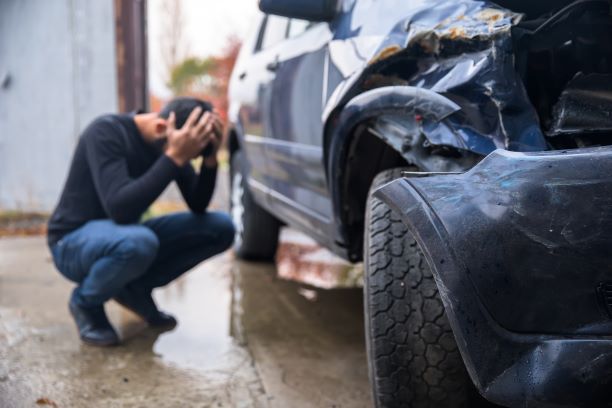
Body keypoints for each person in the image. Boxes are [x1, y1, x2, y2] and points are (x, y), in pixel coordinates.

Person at [47, 97, 235, 347]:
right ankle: (85, 303)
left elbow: (198, 204)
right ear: (161, 128)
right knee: (139, 243)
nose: (186, 161)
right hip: (71, 242)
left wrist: (210, 160)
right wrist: (175, 157)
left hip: (122, 237)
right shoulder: (105, 132)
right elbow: (120, 209)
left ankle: (133, 289)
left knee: (221, 228)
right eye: (189, 156)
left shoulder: (170, 143)